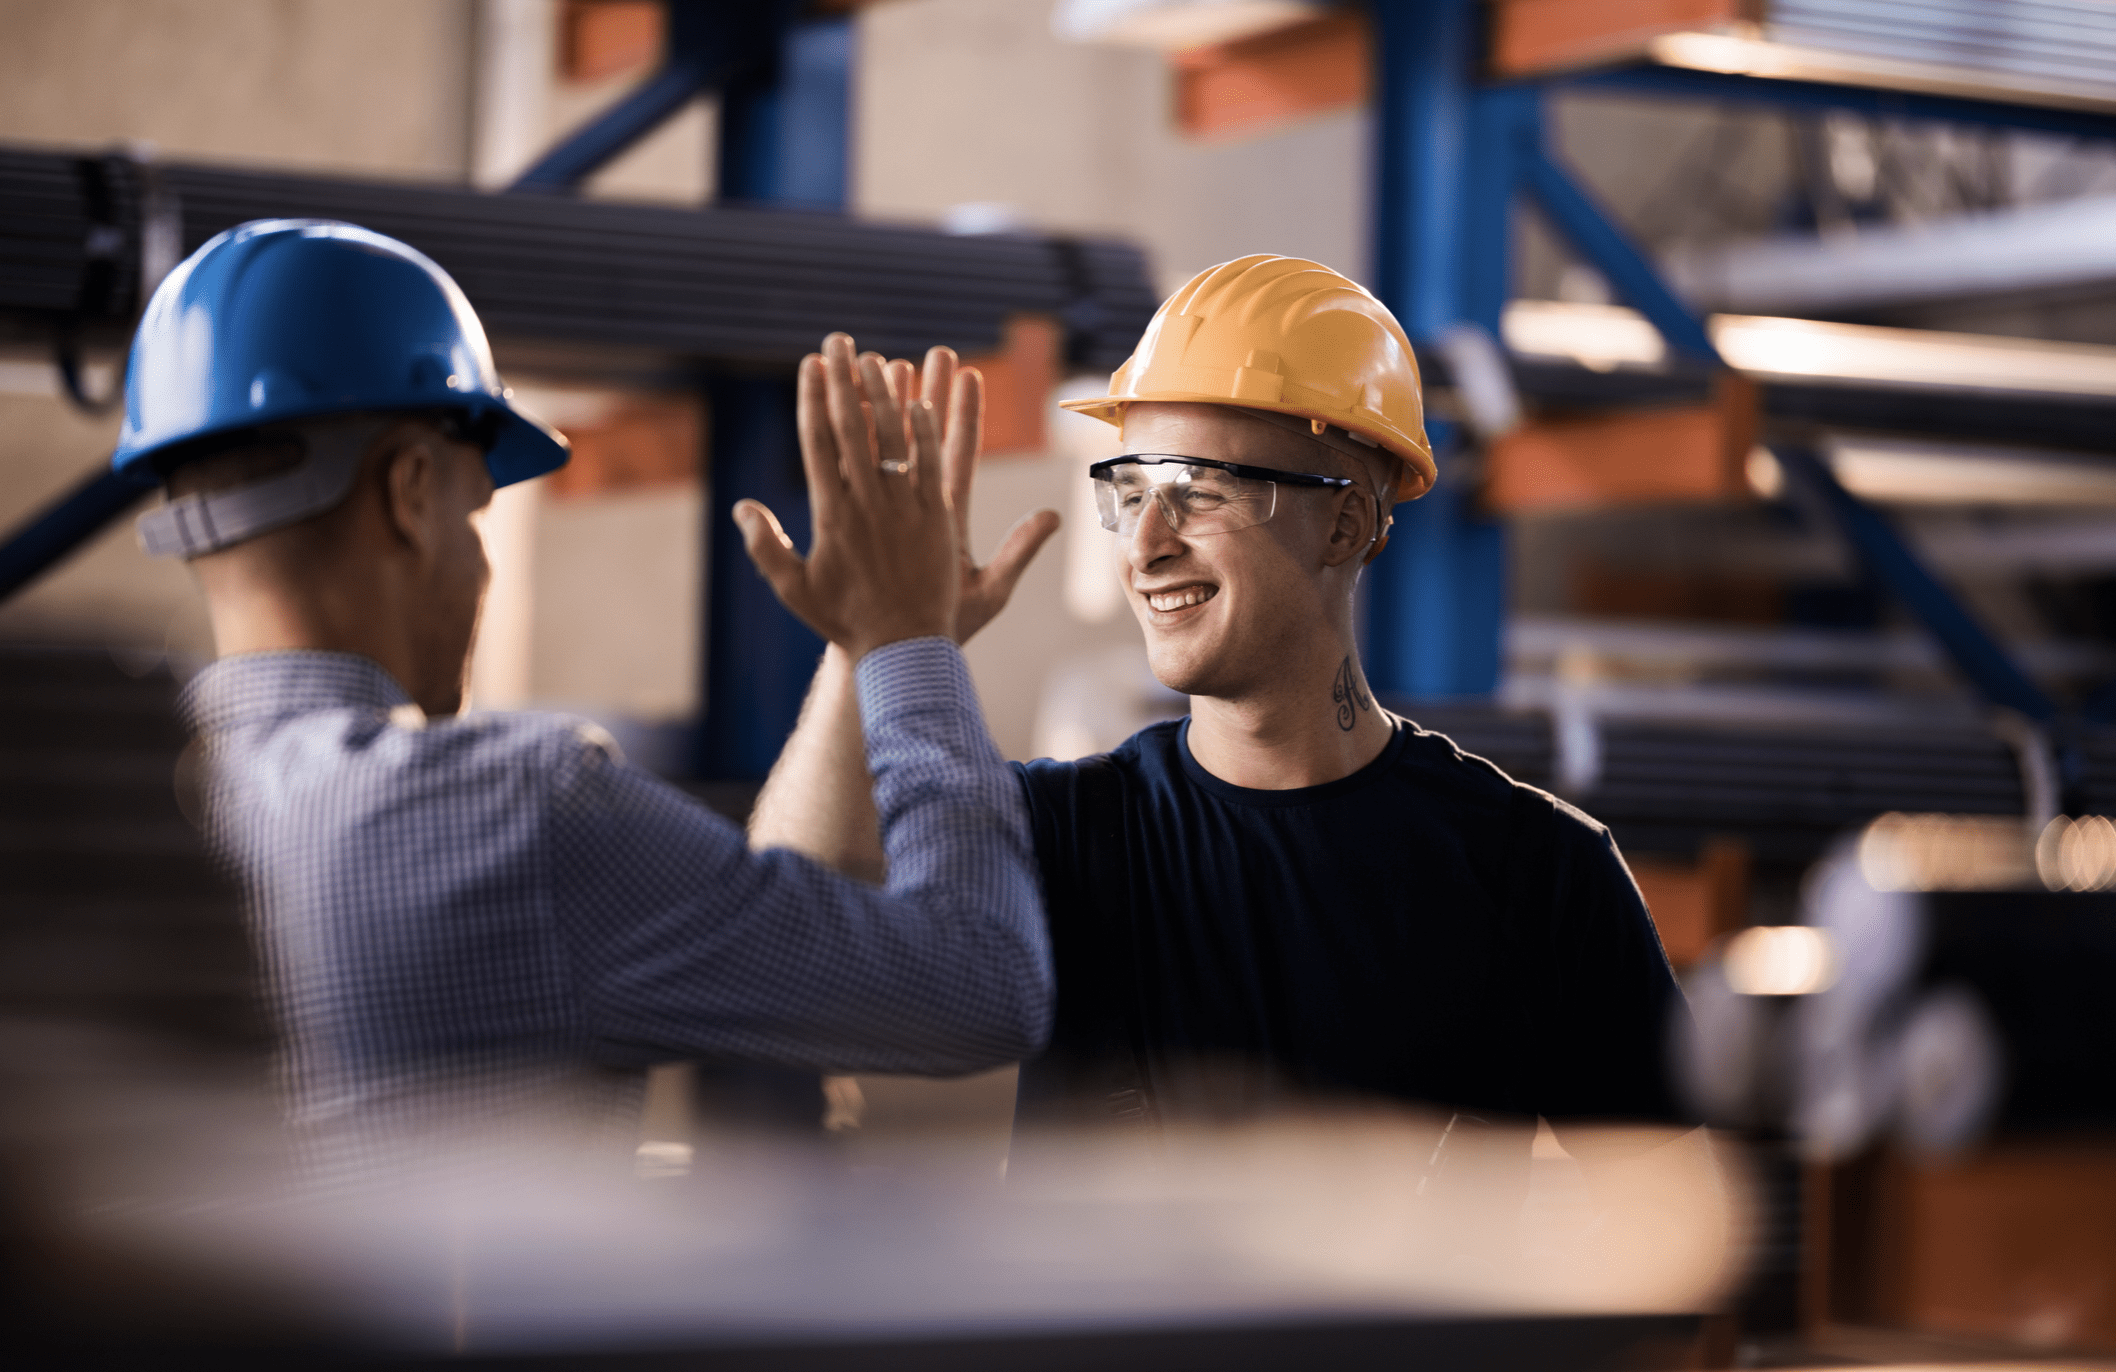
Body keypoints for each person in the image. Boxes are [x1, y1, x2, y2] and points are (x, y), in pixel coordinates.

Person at [132, 219, 1051, 1180]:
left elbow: (769, 939)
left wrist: (861, 646)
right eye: (474, 511)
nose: (479, 556)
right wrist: (912, 640)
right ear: (409, 490)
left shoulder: (104, 805)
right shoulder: (516, 811)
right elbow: (983, 983)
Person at [751, 254, 1688, 1144]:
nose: (1145, 544)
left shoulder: (1535, 873)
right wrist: (874, 633)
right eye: (1131, 489)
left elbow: (1678, 1215)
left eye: (1199, 491)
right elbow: (785, 924)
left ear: (1347, 524)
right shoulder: (1064, 837)